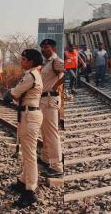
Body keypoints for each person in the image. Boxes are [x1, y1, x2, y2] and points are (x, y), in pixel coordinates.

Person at [7, 49, 44, 208]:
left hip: (30, 116)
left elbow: (15, 93)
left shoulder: (30, 75)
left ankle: (30, 191)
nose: (21, 62)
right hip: (28, 115)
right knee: (27, 152)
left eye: (23, 59)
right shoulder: (33, 74)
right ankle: (22, 182)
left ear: (30, 61)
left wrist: (9, 92)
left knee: (29, 155)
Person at [39, 39, 64, 178]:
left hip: (50, 99)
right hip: (44, 99)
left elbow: (67, 72)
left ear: (53, 48)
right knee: (45, 132)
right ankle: (45, 159)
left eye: (46, 47)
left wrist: (56, 86)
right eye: (42, 47)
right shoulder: (47, 63)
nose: (44, 49)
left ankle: (57, 167)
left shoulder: (56, 61)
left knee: (52, 133)